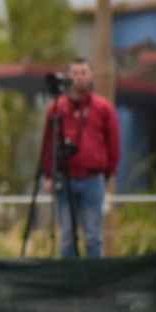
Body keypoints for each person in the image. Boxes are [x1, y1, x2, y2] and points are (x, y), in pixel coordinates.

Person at [39, 58, 120, 258]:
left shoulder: (103, 107)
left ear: (91, 76)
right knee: (67, 235)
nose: (79, 77)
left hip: (92, 178)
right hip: (64, 178)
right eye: (74, 73)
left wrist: (108, 172)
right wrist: (48, 174)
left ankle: (93, 275)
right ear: (67, 77)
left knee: (93, 235)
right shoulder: (57, 107)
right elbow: (48, 143)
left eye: (83, 72)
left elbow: (113, 143)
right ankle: (69, 274)